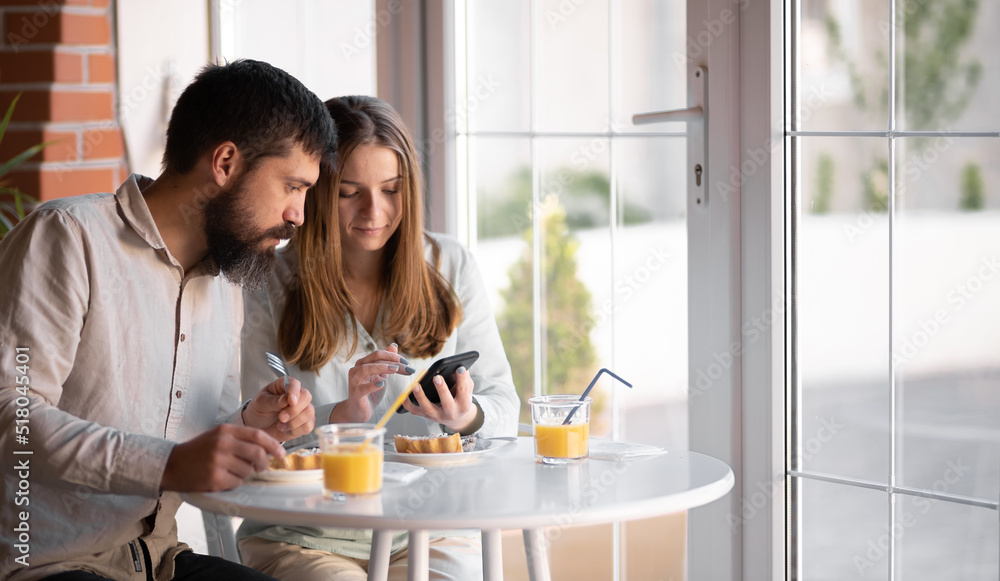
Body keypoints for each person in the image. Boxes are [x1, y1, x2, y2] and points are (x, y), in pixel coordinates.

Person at [0, 59, 336, 581]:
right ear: (225, 162)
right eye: (292, 186)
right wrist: (164, 465)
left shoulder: (227, 281)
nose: (299, 213)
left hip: (158, 562)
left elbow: (201, 432)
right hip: (45, 563)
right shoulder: (67, 238)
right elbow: (12, 415)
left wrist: (249, 424)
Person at [237, 95, 520, 580]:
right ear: (319, 191)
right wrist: (338, 419)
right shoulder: (269, 283)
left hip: (432, 526)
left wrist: (466, 415)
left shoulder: (450, 265)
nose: (375, 210)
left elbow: (504, 408)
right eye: (350, 192)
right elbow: (246, 429)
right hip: (305, 533)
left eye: (391, 189)